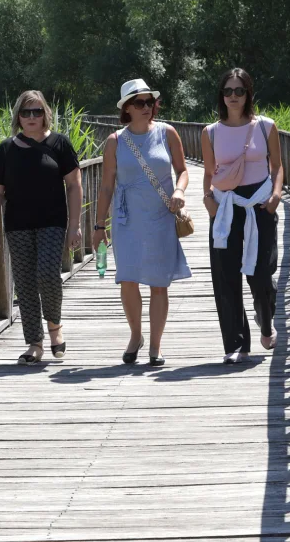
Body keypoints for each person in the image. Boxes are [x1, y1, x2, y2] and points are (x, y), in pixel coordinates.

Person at [91, 79, 191, 367]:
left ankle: (155, 347)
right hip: (126, 218)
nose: (147, 107)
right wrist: (99, 226)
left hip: (160, 216)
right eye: (139, 103)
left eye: (150, 102)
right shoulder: (115, 141)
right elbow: (107, 186)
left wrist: (179, 190)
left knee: (159, 283)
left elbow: (183, 170)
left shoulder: (167, 133)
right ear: (126, 109)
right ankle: (136, 336)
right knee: (128, 278)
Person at [0, 90, 84, 365]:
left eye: (37, 111)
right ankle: (34, 344)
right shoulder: (7, 148)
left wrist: (74, 225)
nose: (31, 117)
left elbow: (74, 185)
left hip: (52, 223)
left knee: (47, 275)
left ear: (45, 114)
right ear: (18, 115)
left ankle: (55, 328)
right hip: (17, 225)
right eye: (26, 112)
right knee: (26, 284)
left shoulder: (59, 144)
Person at [200, 68, 284, 364]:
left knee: (261, 274)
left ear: (248, 93)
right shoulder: (210, 132)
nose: (233, 96)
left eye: (239, 91)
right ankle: (236, 343)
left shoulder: (266, 126)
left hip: (260, 206)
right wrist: (208, 200)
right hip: (225, 208)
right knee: (226, 277)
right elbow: (209, 173)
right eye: (227, 91)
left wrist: (275, 196)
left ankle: (266, 319)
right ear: (220, 95)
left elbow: (277, 166)